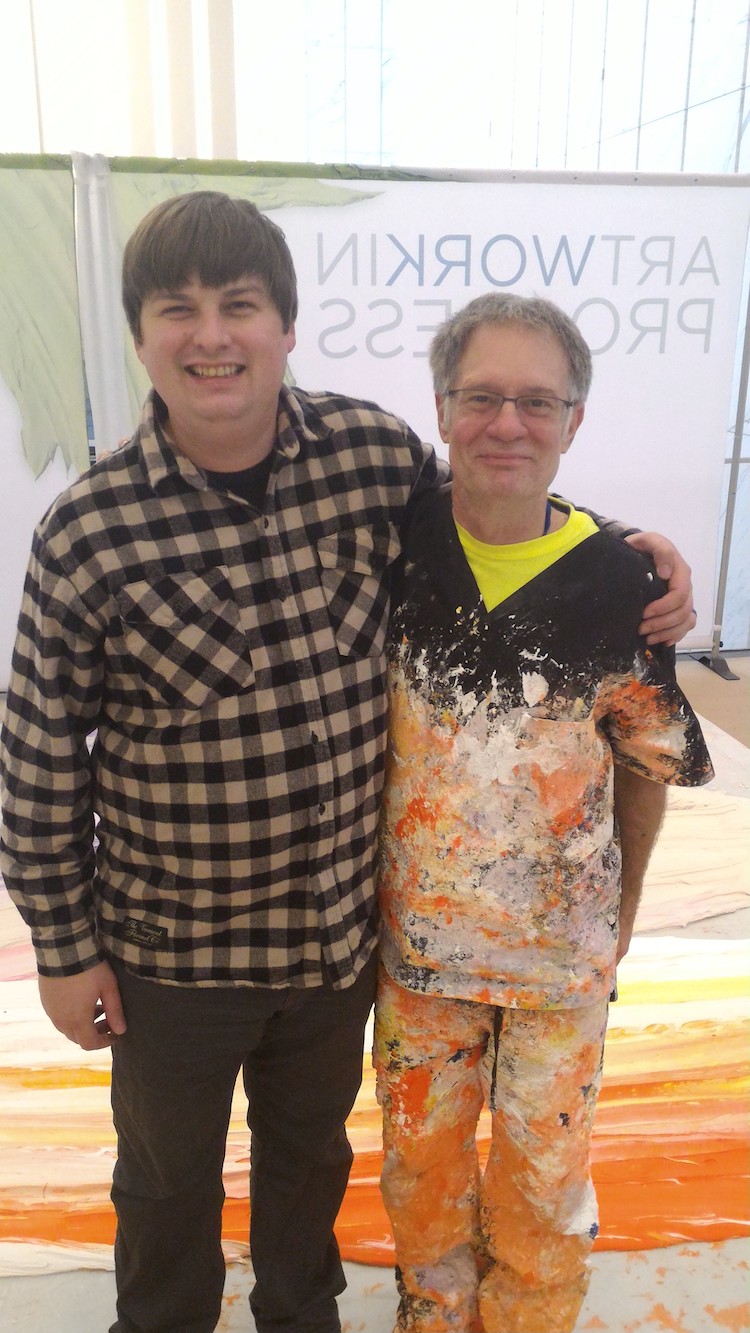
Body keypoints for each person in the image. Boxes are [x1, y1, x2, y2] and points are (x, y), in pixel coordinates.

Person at [0, 193, 695, 1333]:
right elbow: (36, 759)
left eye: (242, 307)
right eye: (180, 310)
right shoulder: (89, 531)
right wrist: (64, 952)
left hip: (334, 942)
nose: (213, 336)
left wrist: (630, 556)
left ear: (286, 326)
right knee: (166, 1179)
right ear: (140, 336)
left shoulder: (371, 457)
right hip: (170, 949)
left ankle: (299, 1319)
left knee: (310, 1165)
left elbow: (503, 514)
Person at [373, 293, 713, 1333]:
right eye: (482, 397)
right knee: (420, 1180)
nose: (507, 424)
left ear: (575, 419)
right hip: (418, 955)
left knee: (545, 1187)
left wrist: (620, 923)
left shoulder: (622, 583)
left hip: (561, 966)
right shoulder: (387, 551)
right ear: (441, 406)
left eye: (536, 401)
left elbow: (647, 760)